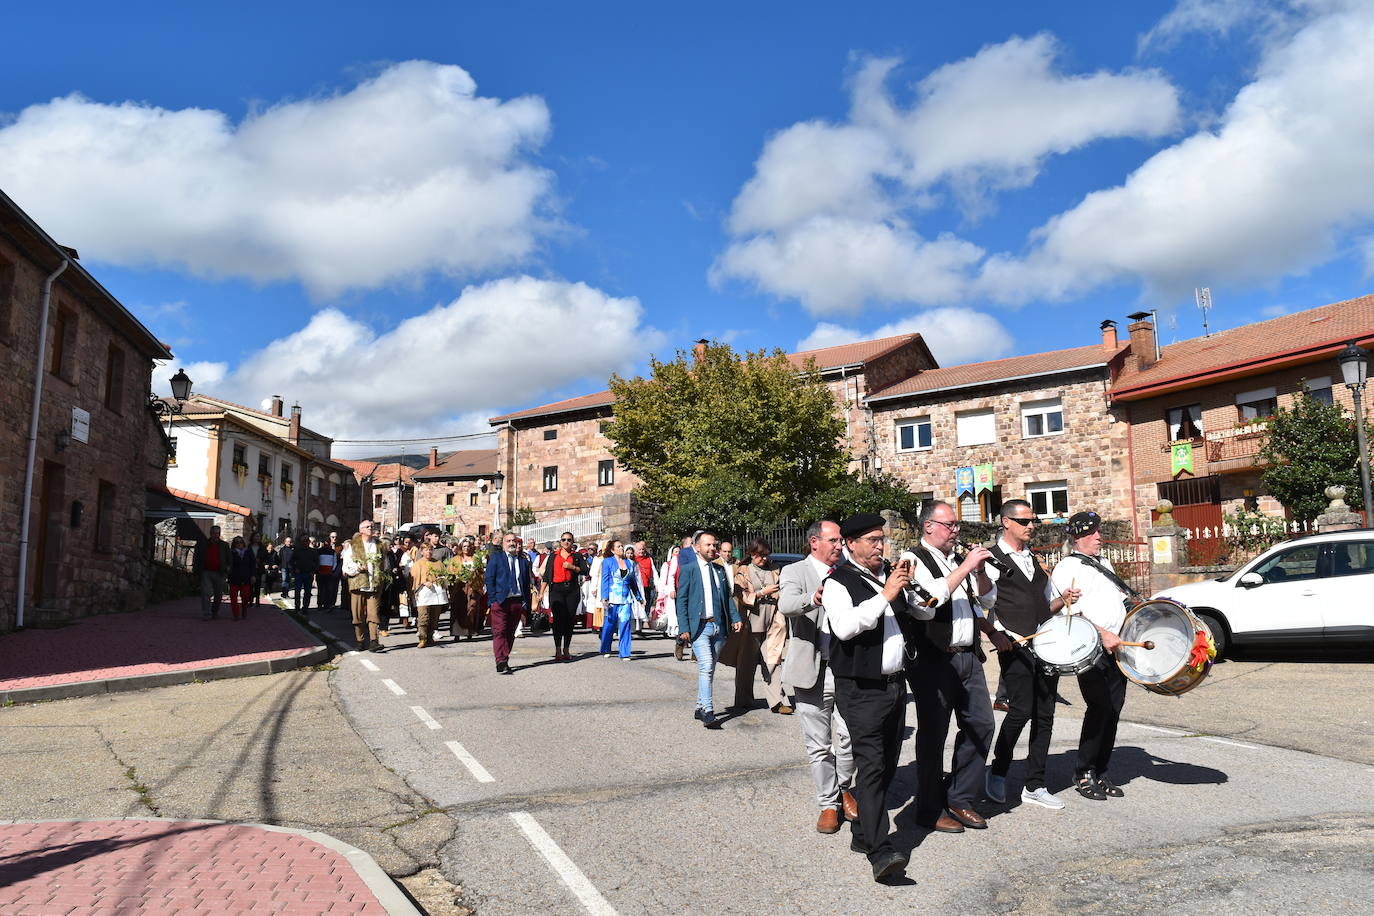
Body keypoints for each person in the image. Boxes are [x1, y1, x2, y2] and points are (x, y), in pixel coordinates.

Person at [906, 500, 1011, 835]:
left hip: (968, 657)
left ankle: (960, 796)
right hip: (935, 659)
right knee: (934, 735)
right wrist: (966, 566)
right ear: (928, 526)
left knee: (981, 725)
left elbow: (986, 602)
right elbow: (928, 603)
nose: (956, 531)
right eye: (950, 525)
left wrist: (979, 571)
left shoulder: (955, 561)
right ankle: (928, 807)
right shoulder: (913, 559)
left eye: (956, 525)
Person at [823, 513, 913, 882]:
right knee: (873, 767)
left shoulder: (885, 577)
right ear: (851, 544)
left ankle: (861, 834)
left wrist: (909, 591)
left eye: (882, 539)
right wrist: (886, 594)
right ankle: (880, 851)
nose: (880, 546)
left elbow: (915, 615)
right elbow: (845, 628)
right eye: (873, 540)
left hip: (894, 684)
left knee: (888, 764)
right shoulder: (837, 583)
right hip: (860, 688)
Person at [985, 499, 1080, 811]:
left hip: (1046, 645)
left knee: (1045, 714)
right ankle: (998, 771)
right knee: (1020, 711)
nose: (1031, 526)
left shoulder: (1032, 559)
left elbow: (1043, 606)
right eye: (1025, 521)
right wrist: (999, 633)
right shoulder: (991, 558)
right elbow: (983, 605)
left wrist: (1062, 599)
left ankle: (1035, 784)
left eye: (1033, 521)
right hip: (1015, 646)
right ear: (1006, 522)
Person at [779, 520, 856, 835]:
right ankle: (828, 803)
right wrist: (814, 597)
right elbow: (786, 604)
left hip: (847, 669)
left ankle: (845, 786)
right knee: (819, 744)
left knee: (851, 737)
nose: (840, 546)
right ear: (814, 542)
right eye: (834, 540)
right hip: (812, 670)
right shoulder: (795, 572)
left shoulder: (849, 571)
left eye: (841, 541)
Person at [1051, 511, 1128, 801]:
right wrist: (1103, 634)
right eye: (1093, 533)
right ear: (1078, 537)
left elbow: (1118, 600)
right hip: (1091, 649)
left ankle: (1101, 770)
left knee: (1114, 708)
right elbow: (1070, 612)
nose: (1100, 537)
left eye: (1099, 531)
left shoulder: (1103, 563)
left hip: (1117, 647)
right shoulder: (1067, 568)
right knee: (1099, 707)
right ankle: (1084, 771)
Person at [675, 530, 742, 729]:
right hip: (700, 627)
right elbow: (682, 600)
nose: (712, 548)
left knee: (710, 668)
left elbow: (726, 598)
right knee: (706, 666)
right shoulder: (688, 569)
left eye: (714, 545)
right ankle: (708, 711)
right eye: (708, 545)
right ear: (697, 547)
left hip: (718, 626)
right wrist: (684, 628)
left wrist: (735, 617)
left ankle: (699, 706)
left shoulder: (719, 570)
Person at [733, 538, 792, 714]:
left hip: (773, 620)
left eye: (766, 555)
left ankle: (777, 701)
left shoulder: (775, 569)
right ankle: (743, 699)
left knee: (773, 660)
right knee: (746, 663)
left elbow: (784, 590)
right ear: (752, 554)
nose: (764, 559)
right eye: (761, 556)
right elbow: (740, 594)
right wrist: (760, 593)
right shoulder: (743, 570)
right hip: (751, 621)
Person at [485, 532, 534, 674]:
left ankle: (504, 657)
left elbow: (525, 583)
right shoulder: (496, 558)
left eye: (513, 541)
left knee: (510, 632)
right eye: (508, 541)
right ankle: (500, 659)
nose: (511, 543)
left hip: (517, 601)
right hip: (501, 601)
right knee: (500, 631)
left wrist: (526, 602)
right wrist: (493, 600)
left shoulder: (523, 561)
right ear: (503, 543)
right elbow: (489, 579)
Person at [340, 520, 391, 653]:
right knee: (357, 616)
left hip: (374, 585)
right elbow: (346, 565)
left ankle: (374, 641)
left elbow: (384, 564)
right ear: (361, 529)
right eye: (368, 527)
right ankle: (360, 640)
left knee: (373, 614)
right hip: (358, 584)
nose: (371, 529)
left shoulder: (379, 544)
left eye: (372, 527)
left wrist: (381, 579)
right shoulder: (353, 545)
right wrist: (357, 568)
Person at [540, 532, 588, 660]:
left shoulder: (577, 556)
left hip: (572, 590)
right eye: (564, 540)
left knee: (569, 620)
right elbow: (546, 576)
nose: (566, 542)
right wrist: (541, 593)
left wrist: (572, 567)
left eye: (569, 540)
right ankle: (557, 649)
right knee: (557, 620)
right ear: (560, 542)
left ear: (572, 542)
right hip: (556, 589)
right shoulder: (553, 556)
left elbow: (585, 570)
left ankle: (566, 648)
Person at [599, 539, 642, 659]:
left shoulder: (629, 563)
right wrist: (604, 597)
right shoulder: (607, 562)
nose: (621, 548)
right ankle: (606, 648)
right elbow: (605, 580)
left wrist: (639, 597)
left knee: (625, 624)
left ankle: (624, 652)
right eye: (618, 547)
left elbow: (633, 581)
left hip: (626, 599)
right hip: (612, 599)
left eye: (622, 546)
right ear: (613, 550)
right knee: (609, 625)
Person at [411, 543, 447, 649]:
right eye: (426, 550)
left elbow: (443, 575)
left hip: (436, 594)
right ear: (422, 552)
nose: (429, 552)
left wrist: (441, 579)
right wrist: (423, 582)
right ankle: (422, 638)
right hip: (423, 594)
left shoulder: (438, 563)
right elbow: (413, 578)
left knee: (434, 617)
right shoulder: (418, 564)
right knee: (423, 617)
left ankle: (430, 636)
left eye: (430, 550)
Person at [193, 525, 231, 620]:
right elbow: (197, 557)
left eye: (217, 533)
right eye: (214, 533)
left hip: (220, 573)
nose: (215, 535)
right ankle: (207, 613)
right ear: (210, 533)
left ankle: (215, 612)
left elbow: (229, 559)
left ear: (220, 534)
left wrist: (228, 569)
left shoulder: (224, 545)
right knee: (206, 593)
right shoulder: (203, 544)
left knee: (218, 594)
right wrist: (196, 570)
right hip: (206, 572)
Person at [226, 535, 257, 621]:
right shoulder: (231, 553)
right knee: (233, 598)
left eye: (240, 542)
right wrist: (226, 574)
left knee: (245, 597)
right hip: (234, 578)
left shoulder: (248, 552)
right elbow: (228, 564)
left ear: (243, 543)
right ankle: (236, 615)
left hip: (246, 578)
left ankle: (244, 610)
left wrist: (253, 575)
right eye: (237, 542)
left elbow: (252, 564)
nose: (239, 544)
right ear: (234, 544)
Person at [290, 532, 318, 613]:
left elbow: (317, 562)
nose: (305, 542)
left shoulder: (313, 551)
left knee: (307, 592)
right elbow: (291, 561)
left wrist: (313, 571)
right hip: (299, 574)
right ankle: (297, 607)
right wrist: (295, 568)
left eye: (307, 540)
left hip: (309, 574)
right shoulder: (297, 550)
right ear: (301, 541)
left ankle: (305, 608)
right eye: (304, 540)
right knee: (297, 591)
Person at [316, 531, 342, 611]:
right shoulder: (319, 551)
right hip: (321, 572)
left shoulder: (338, 548)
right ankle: (320, 604)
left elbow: (335, 562)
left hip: (330, 573)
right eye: (332, 537)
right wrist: (318, 570)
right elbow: (317, 561)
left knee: (329, 589)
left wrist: (332, 570)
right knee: (321, 589)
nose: (334, 539)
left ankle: (328, 604)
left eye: (335, 537)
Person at [278, 536, 295, 600]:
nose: (289, 543)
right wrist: (279, 568)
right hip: (284, 567)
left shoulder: (293, 549)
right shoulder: (282, 549)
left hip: (291, 568)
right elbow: (280, 559)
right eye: (287, 541)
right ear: (285, 542)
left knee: (288, 581)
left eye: (290, 542)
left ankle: (286, 593)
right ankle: (284, 593)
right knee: (284, 580)